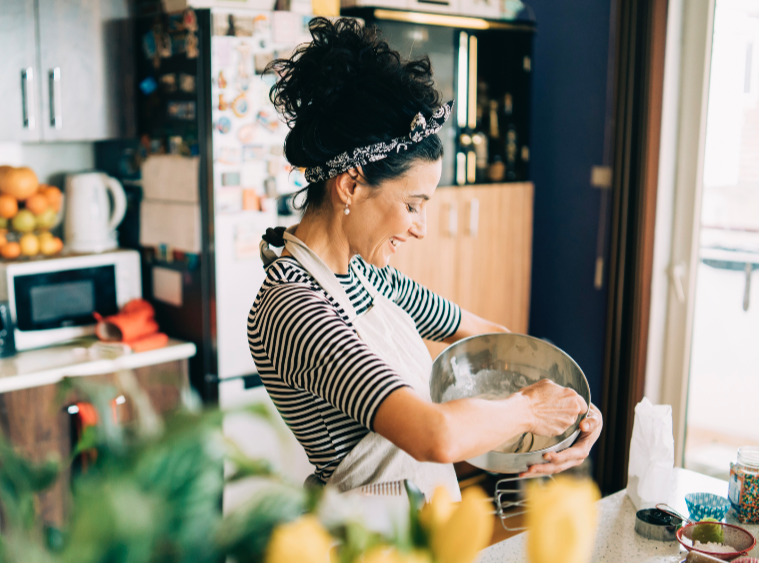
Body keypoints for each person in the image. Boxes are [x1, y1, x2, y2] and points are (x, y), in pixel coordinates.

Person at [247, 17, 603, 498]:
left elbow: (494, 342)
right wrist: (530, 411)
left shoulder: (372, 278)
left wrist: (574, 411)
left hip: (422, 530)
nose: (421, 227)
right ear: (350, 185)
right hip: (364, 541)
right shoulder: (293, 307)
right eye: (412, 205)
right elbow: (432, 434)